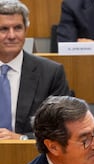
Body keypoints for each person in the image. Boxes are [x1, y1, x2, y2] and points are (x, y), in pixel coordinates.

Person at [0, 0, 70, 140]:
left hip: (31, 155)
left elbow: (61, 127)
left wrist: (21, 139)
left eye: (18, 28)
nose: (12, 36)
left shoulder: (51, 73)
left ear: (26, 30)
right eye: (4, 29)